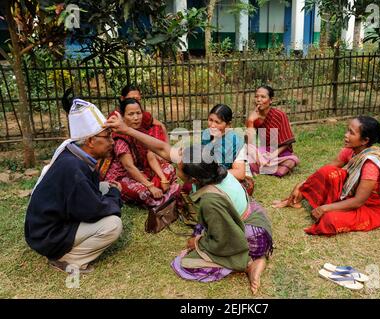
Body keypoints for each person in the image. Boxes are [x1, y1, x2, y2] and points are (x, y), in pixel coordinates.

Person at [105, 114, 273, 295]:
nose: (174, 166)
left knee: (185, 264)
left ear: (193, 179)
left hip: (252, 235)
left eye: (178, 167)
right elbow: (162, 148)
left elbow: (226, 238)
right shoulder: (209, 167)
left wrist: (199, 242)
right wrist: (126, 130)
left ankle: (250, 264)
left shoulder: (210, 200)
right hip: (252, 217)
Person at [25, 98, 123, 274]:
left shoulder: (72, 152)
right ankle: (68, 260)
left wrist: (110, 192)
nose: (112, 141)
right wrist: (115, 195)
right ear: (91, 141)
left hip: (46, 228)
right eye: (107, 136)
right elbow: (93, 211)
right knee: (113, 225)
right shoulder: (73, 167)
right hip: (48, 236)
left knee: (105, 186)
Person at [273, 116, 380, 236]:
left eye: (351, 133)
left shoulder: (370, 164)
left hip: (371, 208)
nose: (346, 135)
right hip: (351, 197)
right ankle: (296, 200)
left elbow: (359, 201)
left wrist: (325, 208)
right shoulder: (350, 151)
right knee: (328, 172)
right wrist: (301, 186)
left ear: (364, 140)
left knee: (329, 219)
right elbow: (324, 172)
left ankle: (326, 208)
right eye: (347, 130)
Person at [105, 98, 179, 211]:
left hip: (140, 172)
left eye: (138, 113)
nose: (136, 117)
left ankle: (163, 194)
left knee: (168, 168)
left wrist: (163, 179)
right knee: (143, 192)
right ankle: (163, 198)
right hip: (123, 177)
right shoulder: (120, 138)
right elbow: (129, 167)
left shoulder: (141, 132)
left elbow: (151, 156)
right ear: (123, 117)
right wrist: (150, 186)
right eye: (131, 114)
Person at [201, 104, 254, 195]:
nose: (212, 125)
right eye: (210, 120)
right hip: (215, 173)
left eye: (217, 122)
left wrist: (212, 175)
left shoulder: (236, 142)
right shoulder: (206, 134)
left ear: (228, 125)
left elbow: (240, 174)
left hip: (232, 175)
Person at [246, 85, 299, 177]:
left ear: (271, 100)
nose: (258, 100)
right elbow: (250, 143)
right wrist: (250, 122)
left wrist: (272, 155)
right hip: (263, 151)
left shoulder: (280, 115)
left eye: (263, 97)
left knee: (291, 161)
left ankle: (261, 168)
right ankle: (266, 167)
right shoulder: (253, 117)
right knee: (245, 152)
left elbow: (287, 142)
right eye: (256, 96)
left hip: (280, 152)